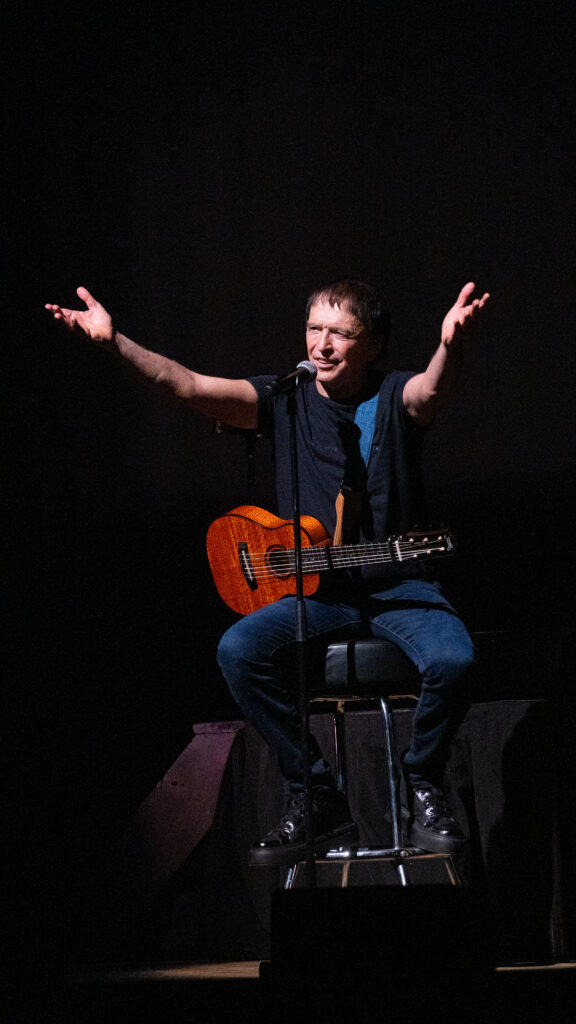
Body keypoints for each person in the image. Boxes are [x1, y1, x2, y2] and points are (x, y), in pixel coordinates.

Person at [45, 278, 489, 865]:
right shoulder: (283, 396)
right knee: (238, 650)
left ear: (373, 345)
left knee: (454, 660)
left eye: (340, 333)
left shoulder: (393, 395)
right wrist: (114, 342)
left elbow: (431, 390)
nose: (322, 344)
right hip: (321, 592)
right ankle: (315, 792)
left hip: (398, 584)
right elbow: (186, 385)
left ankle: (423, 779)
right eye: (314, 329)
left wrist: (450, 345)